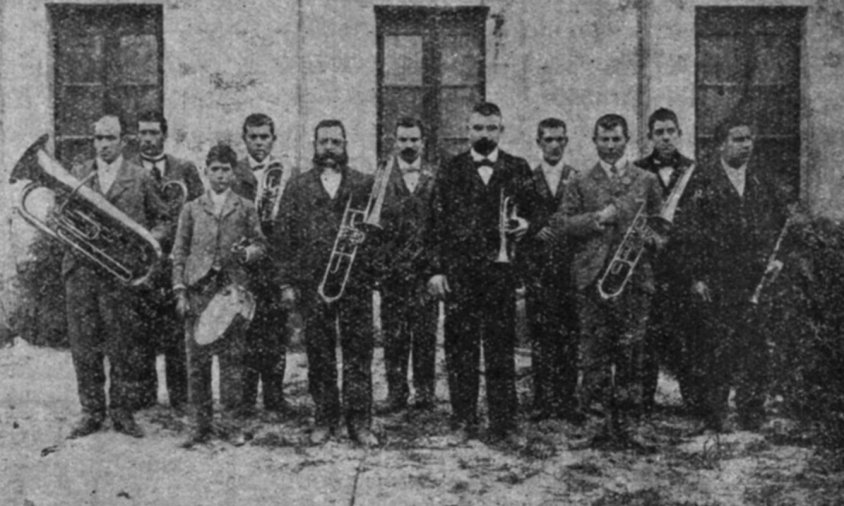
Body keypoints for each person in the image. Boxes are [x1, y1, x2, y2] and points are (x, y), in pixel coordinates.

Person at [548, 113, 663, 441]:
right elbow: (563, 224)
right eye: (604, 139)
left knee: (632, 353)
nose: (610, 146)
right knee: (594, 354)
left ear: (627, 140)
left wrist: (649, 237)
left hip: (635, 280)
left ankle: (631, 424)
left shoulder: (646, 180)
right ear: (594, 141)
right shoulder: (579, 180)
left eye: (616, 139)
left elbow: (661, 228)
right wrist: (598, 218)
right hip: (593, 280)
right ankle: (594, 422)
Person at [427, 102, 535, 445]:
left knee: (501, 349)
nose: (484, 134)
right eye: (478, 128)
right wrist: (436, 271)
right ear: (468, 130)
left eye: (491, 128)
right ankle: (463, 418)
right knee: (461, 349)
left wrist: (525, 224)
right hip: (461, 275)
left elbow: (535, 214)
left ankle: (503, 422)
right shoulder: (450, 168)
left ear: (501, 131)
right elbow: (434, 224)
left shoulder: (518, 167)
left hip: (501, 275)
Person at [64, 114, 170, 439]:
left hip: (120, 273)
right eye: (98, 138)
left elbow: (163, 219)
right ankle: (91, 411)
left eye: (110, 138)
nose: (104, 145)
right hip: (81, 270)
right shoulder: (81, 174)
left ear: (123, 141)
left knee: (123, 343)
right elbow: (61, 213)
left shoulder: (139, 177)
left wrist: (146, 239)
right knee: (84, 345)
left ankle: (122, 411)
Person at [274, 119, 378, 446]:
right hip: (311, 284)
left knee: (358, 353)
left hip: (354, 283)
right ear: (314, 145)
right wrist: (286, 283)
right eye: (323, 142)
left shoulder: (365, 183)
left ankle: (360, 421)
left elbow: (380, 235)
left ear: (346, 144)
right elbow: (282, 238)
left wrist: (365, 238)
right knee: (319, 354)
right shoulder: (298, 186)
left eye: (335, 141)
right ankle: (324, 417)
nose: (329, 148)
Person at [681, 116, 785, 432]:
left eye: (749, 138)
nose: (745, 145)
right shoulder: (702, 180)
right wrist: (696, 277)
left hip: (755, 279)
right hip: (718, 280)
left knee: (755, 346)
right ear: (721, 144)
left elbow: (780, 224)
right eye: (738, 139)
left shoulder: (761, 181)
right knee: (717, 346)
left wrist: (778, 260)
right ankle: (715, 412)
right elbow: (687, 234)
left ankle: (752, 409)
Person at [172, 143, 266, 447]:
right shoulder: (192, 208)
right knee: (196, 363)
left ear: (234, 172)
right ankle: (198, 424)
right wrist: (180, 291)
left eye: (226, 169)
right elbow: (179, 253)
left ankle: (231, 423)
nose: (221, 176)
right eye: (215, 169)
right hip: (199, 292)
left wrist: (248, 254)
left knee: (232, 364)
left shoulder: (245, 207)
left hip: (231, 294)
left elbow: (261, 245)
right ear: (206, 171)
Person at [132, 110, 204, 411]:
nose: (147, 139)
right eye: (142, 133)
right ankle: (144, 396)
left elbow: (200, 209)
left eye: (153, 133)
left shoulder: (184, 169)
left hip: (175, 262)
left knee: (177, 332)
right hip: (140, 262)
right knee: (140, 331)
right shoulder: (128, 169)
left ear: (164, 135)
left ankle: (181, 397)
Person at [633, 108, 698, 414]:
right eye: (659, 132)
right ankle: (643, 401)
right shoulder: (637, 170)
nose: (666, 137)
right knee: (646, 335)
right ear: (650, 137)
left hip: (681, 267)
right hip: (646, 265)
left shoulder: (694, 171)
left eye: (671, 131)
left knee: (685, 334)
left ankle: (694, 402)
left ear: (679, 133)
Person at [232, 113, 294, 419]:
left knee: (275, 334)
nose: (259, 142)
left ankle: (274, 396)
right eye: (253, 137)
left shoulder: (283, 173)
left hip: (274, 266)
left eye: (264, 137)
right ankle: (245, 399)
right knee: (246, 333)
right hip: (244, 267)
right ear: (244, 139)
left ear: (273, 139)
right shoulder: (233, 174)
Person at [377, 117, 438, 414]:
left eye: (414, 139)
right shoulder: (381, 175)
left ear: (423, 142)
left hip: (425, 271)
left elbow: (443, 225)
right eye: (403, 139)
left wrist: (436, 267)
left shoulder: (436, 176)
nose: (409, 145)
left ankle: (425, 394)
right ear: (394, 141)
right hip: (393, 271)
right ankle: (396, 392)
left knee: (425, 334)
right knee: (394, 334)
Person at [524, 117, 581, 423]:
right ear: (539, 143)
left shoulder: (577, 178)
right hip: (540, 271)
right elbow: (518, 222)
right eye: (548, 139)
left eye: (560, 139)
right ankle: (542, 400)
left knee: (569, 337)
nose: (555, 145)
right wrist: (535, 229)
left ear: (566, 142)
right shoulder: (528, 181)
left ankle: (568, 399)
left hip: (570, 270)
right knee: (541, 336)